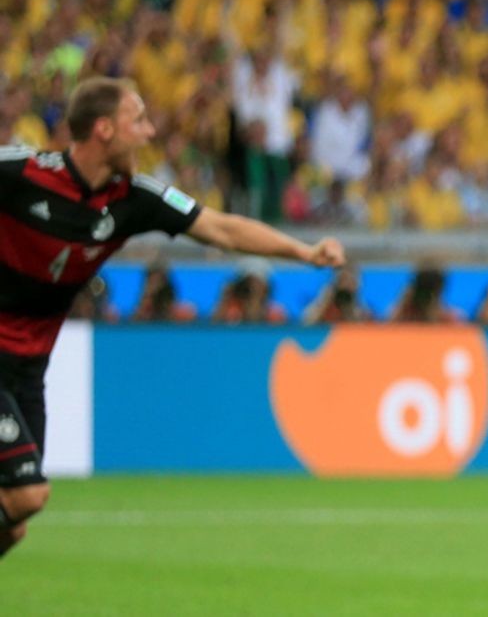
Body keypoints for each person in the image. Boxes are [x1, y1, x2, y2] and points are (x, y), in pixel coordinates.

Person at [0, 77, 343, 558]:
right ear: (103, 130)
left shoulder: (135, 199)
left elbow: (221, 227)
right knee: (27, 493)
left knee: (12, 524)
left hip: (28, 371)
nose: (150, 131)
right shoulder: (21, 172)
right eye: (137, 120)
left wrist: (303, 252)